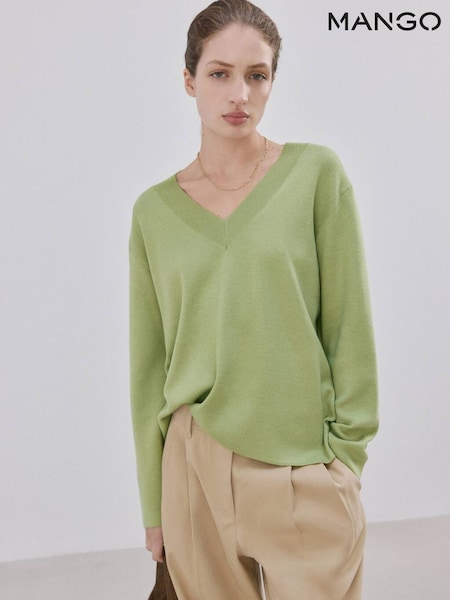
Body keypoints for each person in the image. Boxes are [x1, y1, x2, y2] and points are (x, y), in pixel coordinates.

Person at [129, 1, 378, 598]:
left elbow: (349, 325)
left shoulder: (316, 175)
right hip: (193, 469)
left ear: (271, 81)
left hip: (304, 466)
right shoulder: (154, 212)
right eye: (219, 73)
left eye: (257, 75)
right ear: (189, 80)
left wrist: (345, 460)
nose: (239, 93)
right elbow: (149, 368)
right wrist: (154, 503)